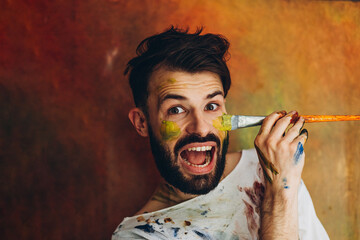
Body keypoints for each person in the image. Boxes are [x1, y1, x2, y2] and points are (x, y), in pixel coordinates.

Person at [112, 26, 329, 240]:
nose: (201, 128)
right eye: (176, 110)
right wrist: (278, 200)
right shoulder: (137, 235)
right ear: (141, 122)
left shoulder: (270, 168)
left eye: (211, 106)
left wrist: (281, 184)